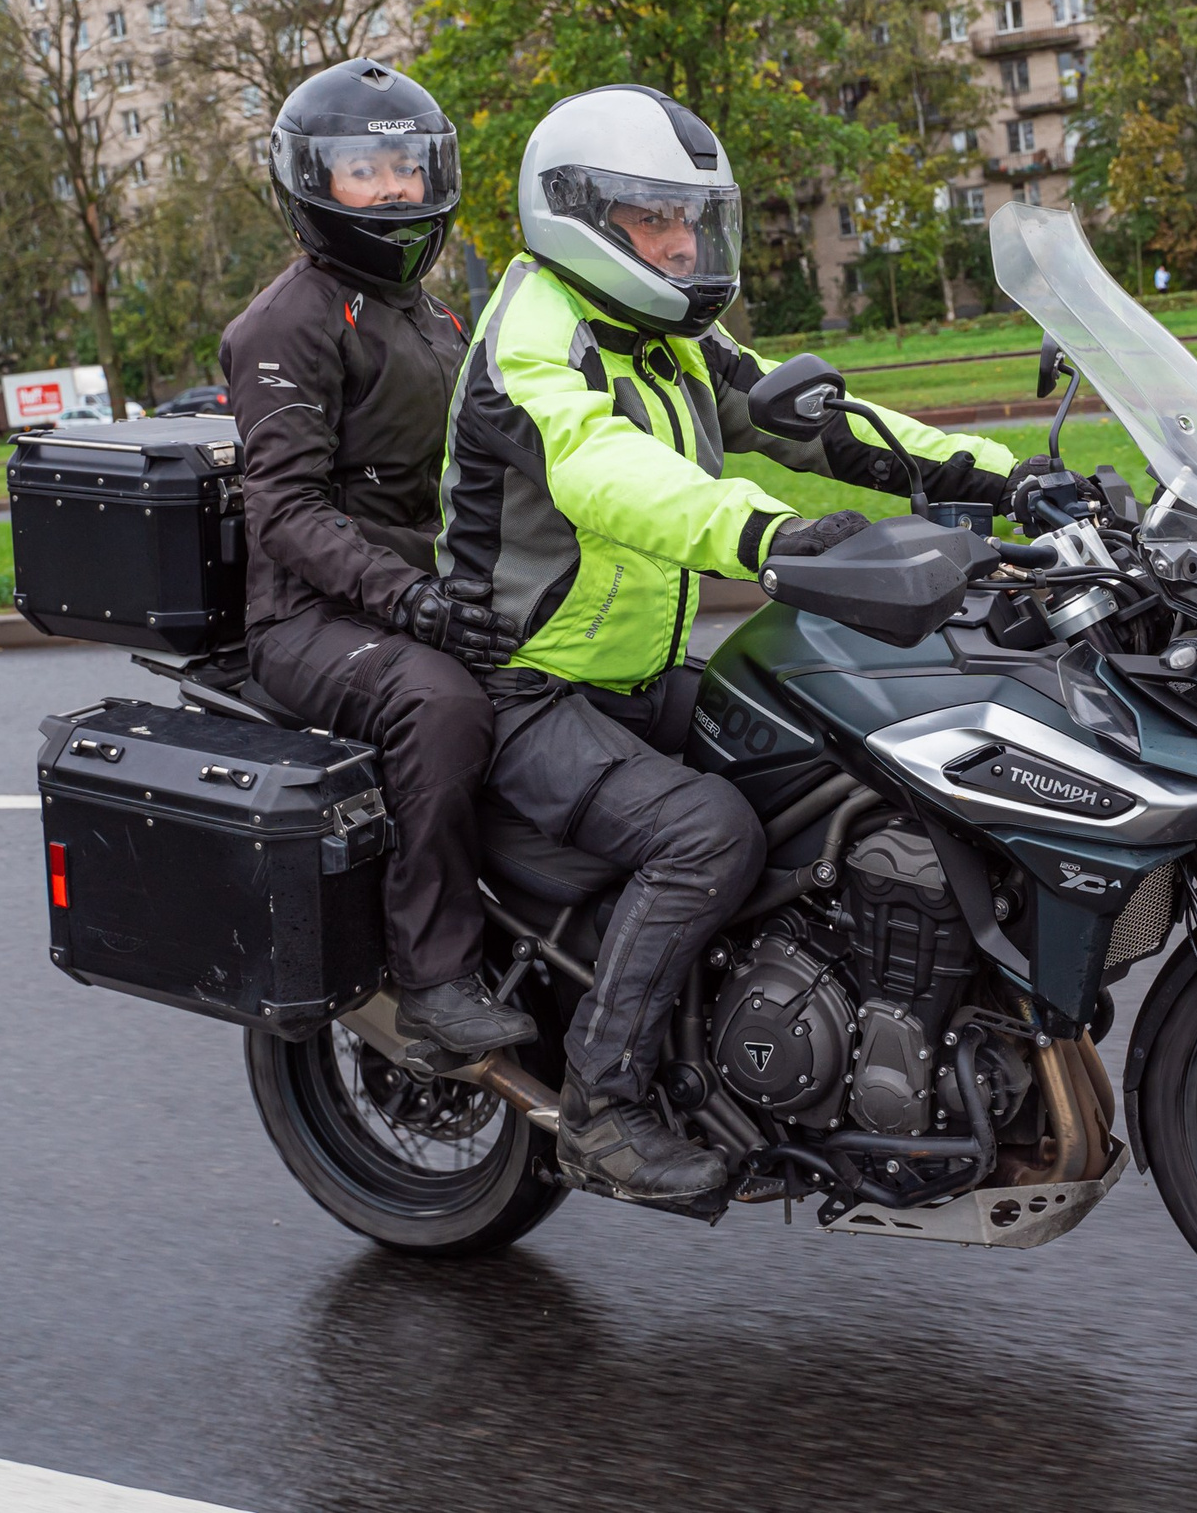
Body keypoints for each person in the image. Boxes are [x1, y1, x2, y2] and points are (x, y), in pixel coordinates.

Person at [435, 83, 1051, 1205]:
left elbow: (817, 418)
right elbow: (609, 473)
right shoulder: (532, 343)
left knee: (851, 759)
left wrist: (1008, 477)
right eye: (652, 220)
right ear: (578, 216)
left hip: (634, 675)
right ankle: (603, 1108)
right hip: (525, 689)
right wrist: (763, 532)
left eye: (690, 220)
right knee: (707, 834)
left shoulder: (668, 329)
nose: (679, 244)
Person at [220, 58, 533, 1056]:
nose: (394, 189)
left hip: (417, 591)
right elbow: (286, 513)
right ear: (314, 183)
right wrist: (413, 602)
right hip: (307, 619)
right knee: (438, 705)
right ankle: (432, 976)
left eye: (407, 165)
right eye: (366, 171)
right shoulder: (285, 325)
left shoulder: (435, 316)